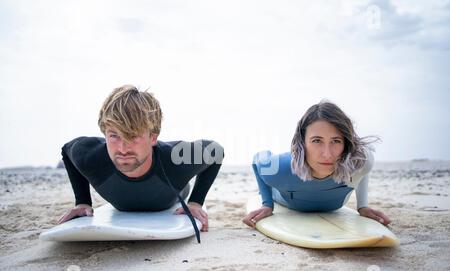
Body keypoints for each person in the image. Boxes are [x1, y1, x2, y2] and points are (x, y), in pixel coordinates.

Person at [58, 85, 224, 243]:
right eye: (114, 135)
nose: (123, 149)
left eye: (133, 136)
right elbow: (66, 150)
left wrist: (195, 202)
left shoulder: (176, 160)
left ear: (153, 137)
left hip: (174, 192)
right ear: (104, 133)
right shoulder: (90, 156)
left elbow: (216, 151)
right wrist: (82, 201)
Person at [243, 101, 391, 228]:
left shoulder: (362, 159)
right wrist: (267, 203)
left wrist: (362, 206)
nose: (327, 154)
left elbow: (362, 169)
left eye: (336, 141)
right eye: (316, 141)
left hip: (334, 206)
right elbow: (258, 159)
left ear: (346, 144)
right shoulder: (277, 169)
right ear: (302, 142)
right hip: (283, 198)